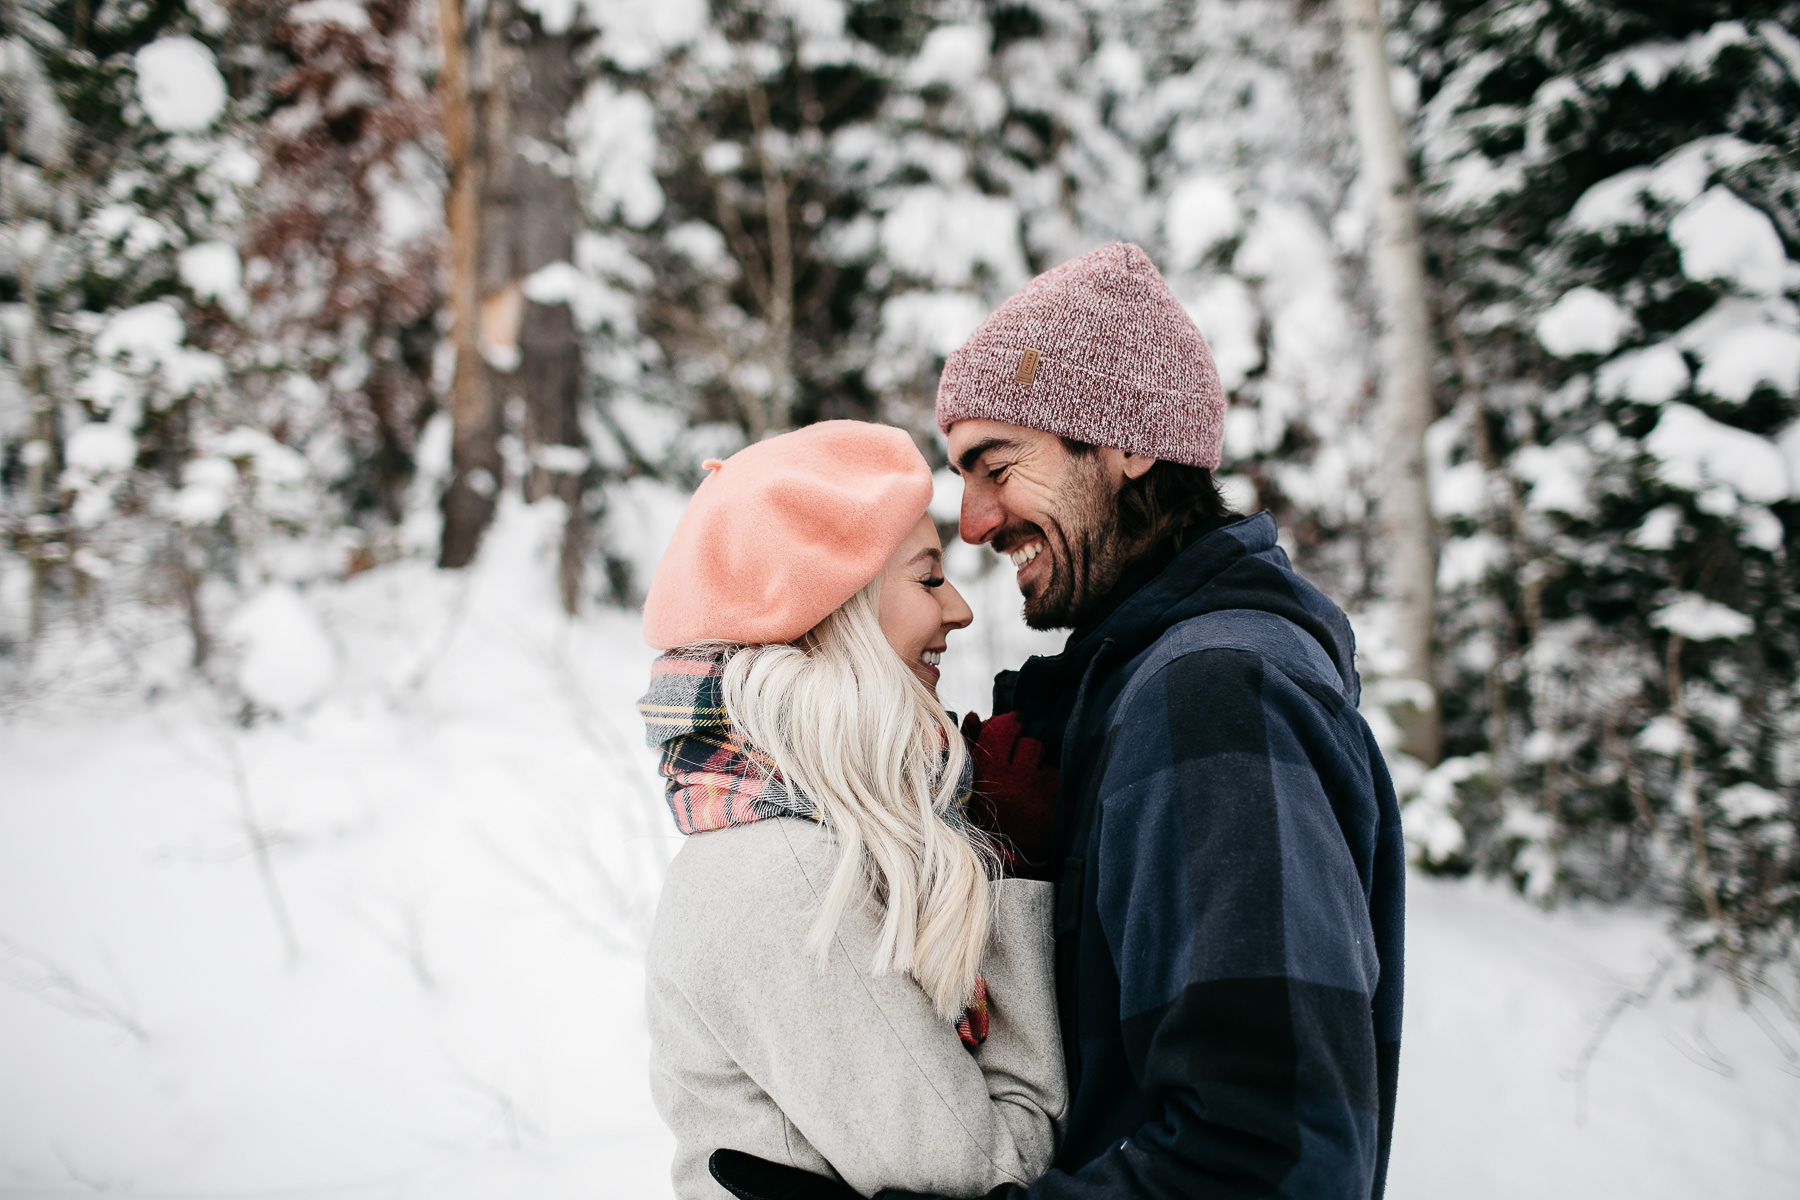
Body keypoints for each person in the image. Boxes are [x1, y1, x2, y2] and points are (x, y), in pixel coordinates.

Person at [709, 244, 1405, 1200]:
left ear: (1127, 443)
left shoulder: (1216, 697)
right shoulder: (1141, 692)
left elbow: (1269, 1160)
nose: (976, 522)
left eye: (996, 466)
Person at [637, 420, 1068, 1200]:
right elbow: (996, 1175)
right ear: (836, 612)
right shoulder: (787, 873)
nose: (961, 610)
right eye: (930, 578)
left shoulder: (803, 835)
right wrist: (1011, 869)